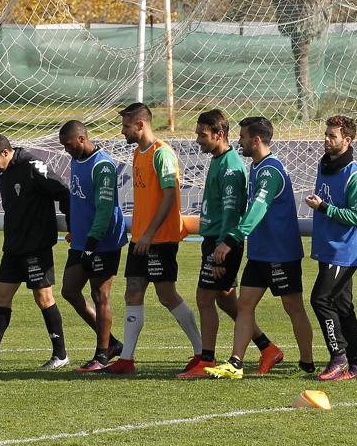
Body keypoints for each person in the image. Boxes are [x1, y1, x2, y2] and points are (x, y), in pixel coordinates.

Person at [205, 116, 312, 380]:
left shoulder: (269, 170)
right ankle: (236, 363)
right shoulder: (257, 167)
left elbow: (258, 208)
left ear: (255, 140)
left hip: (280, 253)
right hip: (260, 253)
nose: (238, 141)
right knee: (244, 305)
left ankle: (307, 364)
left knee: (293, 308)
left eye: (241, 137)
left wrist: (232, 239)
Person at [179, 110, 279, 379]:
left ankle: (206, 359)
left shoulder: (231, 167)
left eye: (202, 134)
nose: (198, 139)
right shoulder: (219, 159)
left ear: (218, 134)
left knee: (204, 298)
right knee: (224, 300)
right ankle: (267, 348)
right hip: (215, 239)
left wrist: (221, 249)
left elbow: (232, 212)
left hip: (222, 242)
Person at [104, 103, 203, 376]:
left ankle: (201, 352)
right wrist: (141, 234)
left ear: (140, 125)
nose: (122, 131)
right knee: (133, 291)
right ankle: (127, 359)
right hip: (141, 239)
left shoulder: (162, 154)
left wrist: (149, 233)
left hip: (160, 238)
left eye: (126, 126)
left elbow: (170, 195)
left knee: (166, 294)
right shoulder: (138, 153)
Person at [0, 133, 71, 370]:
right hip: (13, 246)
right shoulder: (5, 172)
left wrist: (72, 224)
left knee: (44, 298)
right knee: (2, 298)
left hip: (35, 245)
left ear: (5, 152)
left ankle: (60, 355)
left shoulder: (32, 166)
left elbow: (62, 190)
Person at [304, 115, 357, 381]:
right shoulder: (325, 165)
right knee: (343, 307)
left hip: (343, 252)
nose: (326, 140)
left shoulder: (356, 176)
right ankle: (356, 364)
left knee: (320, 299)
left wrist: (323, 207)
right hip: (327, 248)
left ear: (347, 140)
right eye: (326, 134)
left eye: (332, 136)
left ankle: (338, 357)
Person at [57, 121, 126, 372]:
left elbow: (105, 209)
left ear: (82, 138)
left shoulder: (103, 166)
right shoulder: (77, 160)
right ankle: (112, 343)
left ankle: (102, 355)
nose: (65, 149)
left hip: (102, 242)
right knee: (69, 290)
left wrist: (91, 244)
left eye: (68, 144)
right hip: (81, 241)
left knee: (101, 295)